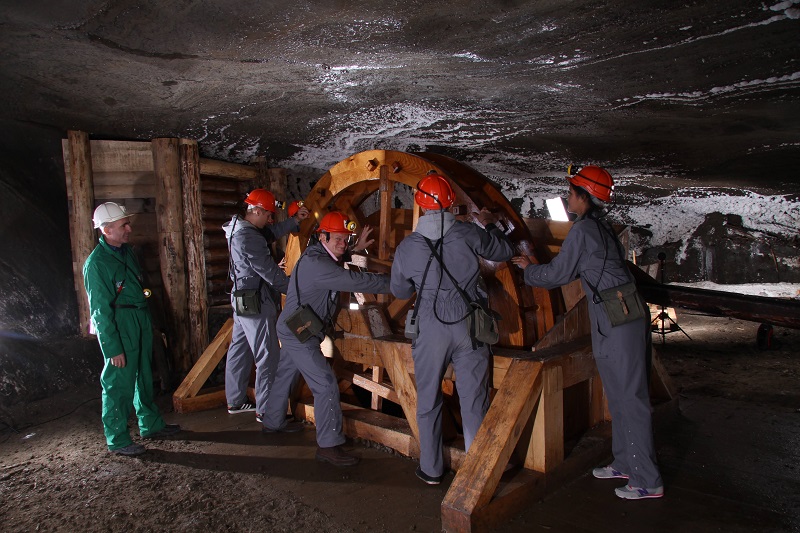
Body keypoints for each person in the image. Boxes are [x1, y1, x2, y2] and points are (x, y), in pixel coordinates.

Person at [511, 165, 664, 500]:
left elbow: (558, 274)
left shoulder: (583, 232)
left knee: (631, 399)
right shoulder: (599, 226)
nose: (568, 198)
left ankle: (647, 479)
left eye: (571, 193)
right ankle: (626, 461)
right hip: (613, 317)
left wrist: (529, 270)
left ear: (584, 198)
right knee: (618, 394)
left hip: (619, 320)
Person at [390, 174, 514, 485]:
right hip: (469, 322)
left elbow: (401, 292)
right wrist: (486, 224)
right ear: (449, 203)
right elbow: (503, 252)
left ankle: (431, 469)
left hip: (431, 326)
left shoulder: (408, 247)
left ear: (419, 204)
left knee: (429, 398)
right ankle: (476, 472)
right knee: (474, 399)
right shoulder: (469, 233)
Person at [262, 211, 390, 466]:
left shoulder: (317, 254)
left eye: (346, 239)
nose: (342, 244)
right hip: (300, 335)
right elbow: (355, 280)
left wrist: (355, 248)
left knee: (286, 374)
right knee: (326, 383)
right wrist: (397, 282)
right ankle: (329, 446)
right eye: (338, 239)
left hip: (295, 328)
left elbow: (337, 258)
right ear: (323, 236)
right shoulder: (318, 264)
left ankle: (272, 421)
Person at [83, 202, 181, 456]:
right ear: (106, 230)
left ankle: (150, 424)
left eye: (127, 223)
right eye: (122, 225)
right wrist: (113, 347)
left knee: (144, 376)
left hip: (139, 317)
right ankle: (117, 439)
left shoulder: (126, 252)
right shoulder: (96, 264)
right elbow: (100, 312)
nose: (129, 228)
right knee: (118, 382)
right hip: (120, 322)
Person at [223, 189, 309, 421]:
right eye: (269, 215)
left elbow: (269, 233)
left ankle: (235, 401)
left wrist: (293, 222)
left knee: (239, 350)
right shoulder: (249, 236)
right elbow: (270, 273)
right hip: (256, 301)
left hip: (241, 298)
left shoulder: (239, 229)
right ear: (257, 210)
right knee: (268, 355)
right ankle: (267, 410)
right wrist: (296, 289)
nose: (271, 220)